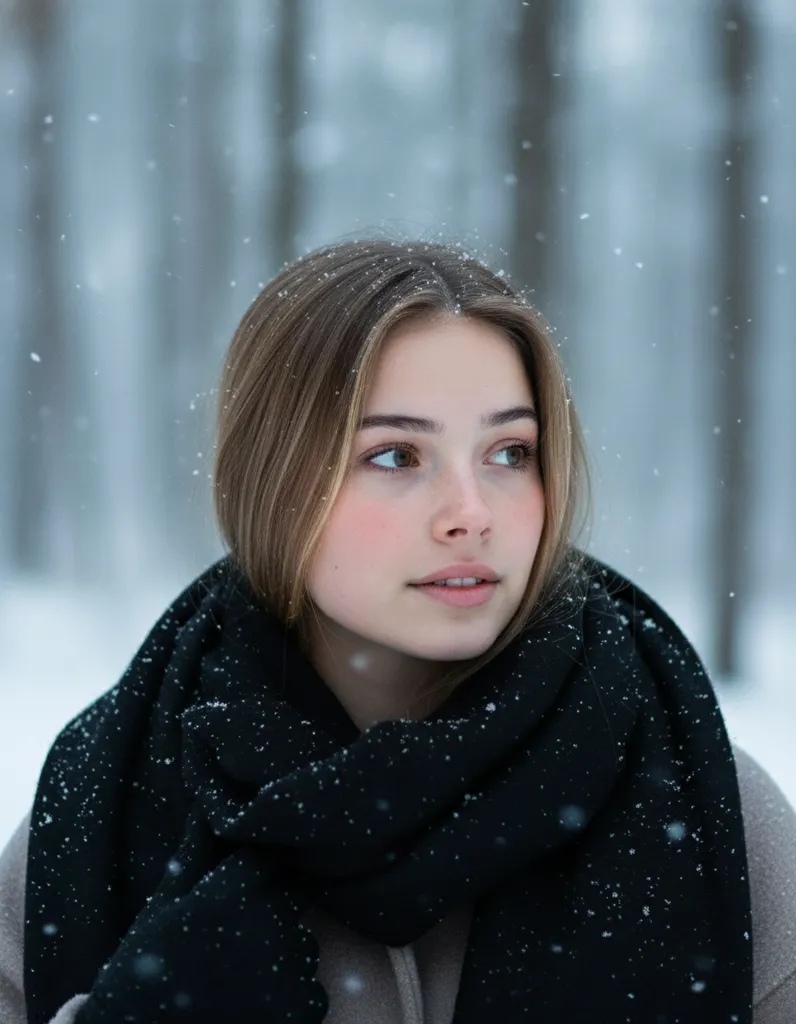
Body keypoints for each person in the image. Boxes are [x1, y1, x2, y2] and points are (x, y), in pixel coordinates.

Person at [1, 239, 795, 1023]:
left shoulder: (712, 807)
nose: (470, 514)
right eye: (395, 456)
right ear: (271, 480)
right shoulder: (97, 810)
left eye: (510, 452)